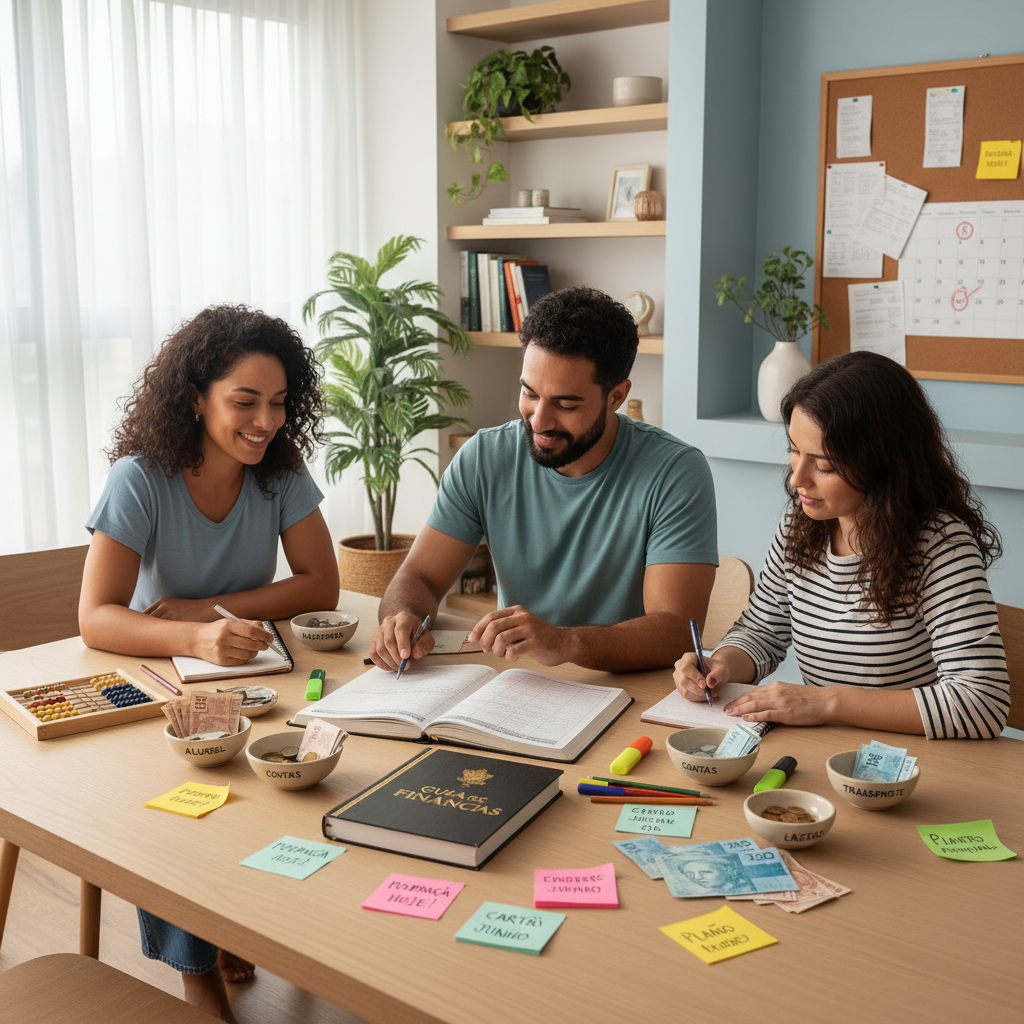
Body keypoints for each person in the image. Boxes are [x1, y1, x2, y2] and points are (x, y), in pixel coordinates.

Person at [79, 305, 339, 1022]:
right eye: (245, 402)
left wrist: (205, 609)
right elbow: (95, 616)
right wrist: (191, 638)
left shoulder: (279, 474)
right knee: (174, 787)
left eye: (280, 403)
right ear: (196, 397)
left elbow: (322, 584)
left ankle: (255, 923)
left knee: (310, 761)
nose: (266, 421)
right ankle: (197, 975)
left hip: (249, 674)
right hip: (156, 678)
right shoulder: (141, 479)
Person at [370, 286, 718, 674]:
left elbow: (676, 630)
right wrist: (401, 617)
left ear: (616, 396)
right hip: (517, 683)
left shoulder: (675, 472)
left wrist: (565, 641)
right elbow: (419, 577)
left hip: (628, 691)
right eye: (529, 393)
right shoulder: (484, 458)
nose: (539, 420)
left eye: (566, 404)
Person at [673, 351, 1009, 739]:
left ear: (884, 463)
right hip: (826, 749)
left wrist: (827, 703)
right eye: (794, 451)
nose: (797, 479)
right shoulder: (801, 525)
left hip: (908, 763)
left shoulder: (940, 545)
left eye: (824, 465)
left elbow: (981, 701)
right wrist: (719, 665)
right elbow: (763, 631)